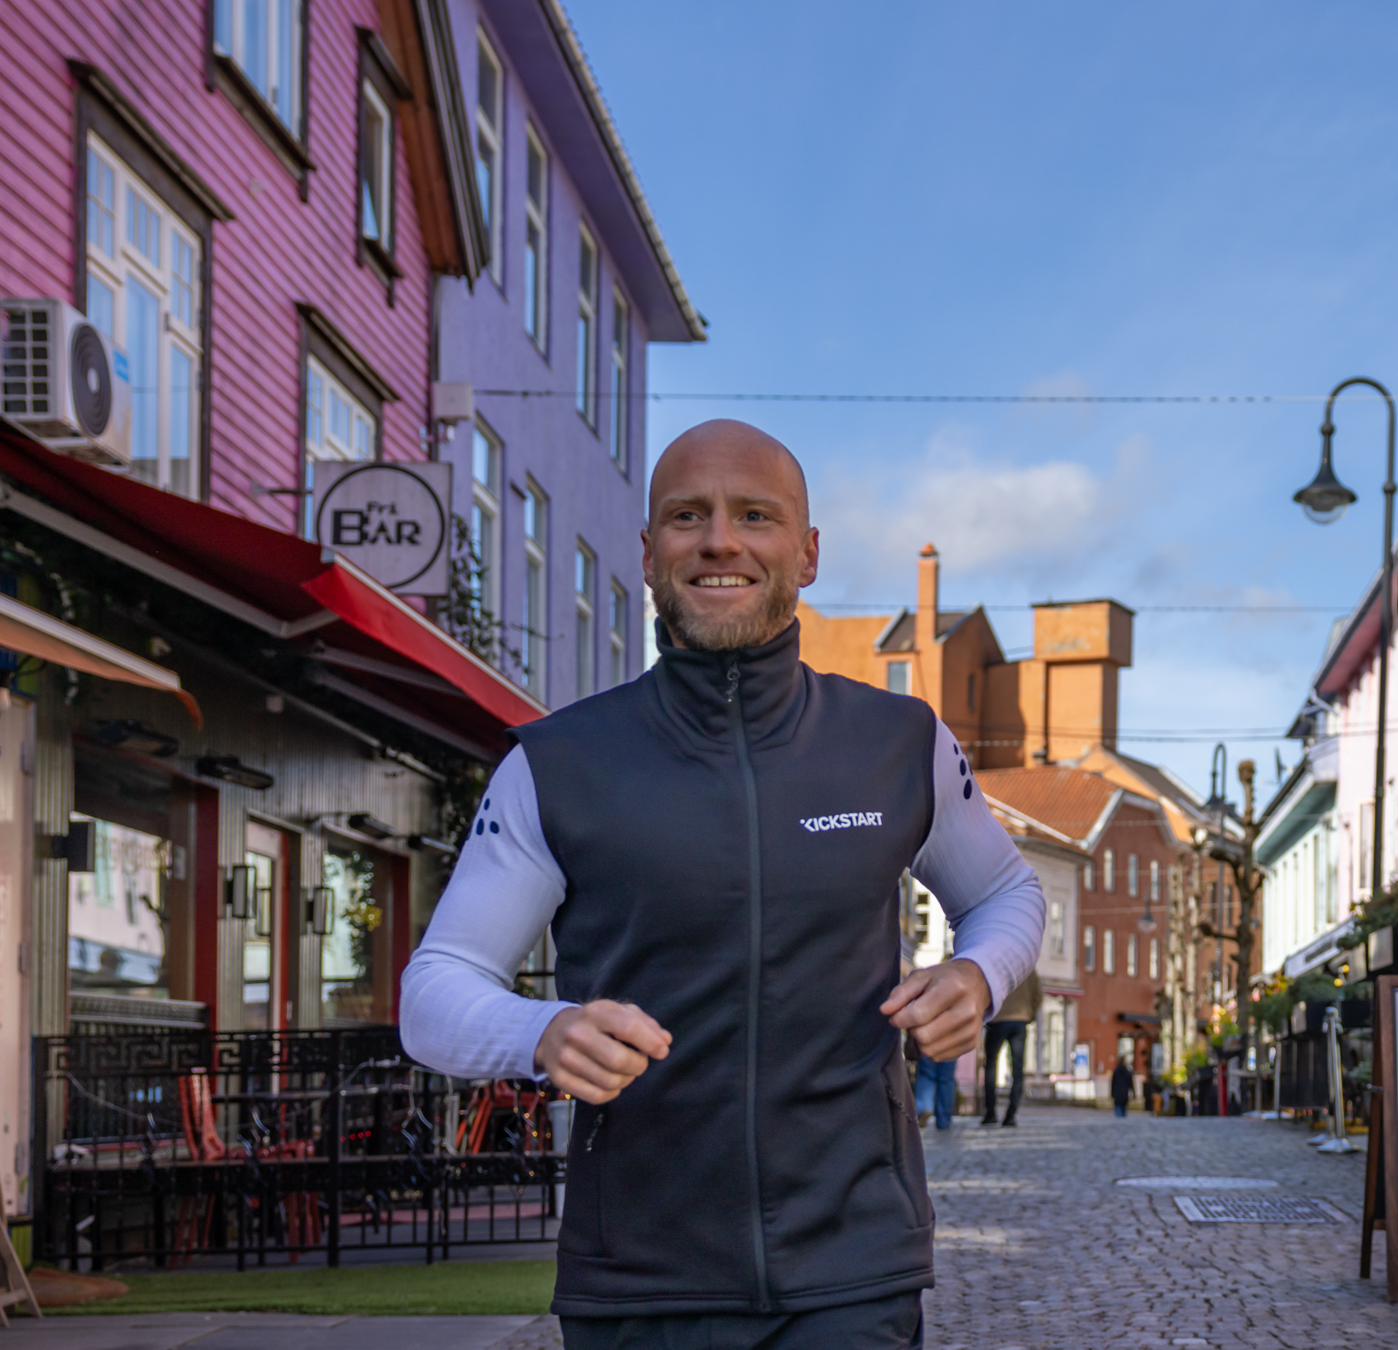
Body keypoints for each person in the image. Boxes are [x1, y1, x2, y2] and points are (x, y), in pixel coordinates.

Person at [400, 420, 1046, 1350]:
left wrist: (976, 976)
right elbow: (434, 990)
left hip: (851, 1270)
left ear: (808, 552)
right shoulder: (558, 763)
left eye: (756, 515)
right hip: (639, 1281)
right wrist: (540, 1032)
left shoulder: (901, 745)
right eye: (687, 516)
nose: (720, 540)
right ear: (649, 553)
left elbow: (1009, 896)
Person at [978, 971, 1041, 1126]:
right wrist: (1029, 1015)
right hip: (1019, 1021)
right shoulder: (1028, 967)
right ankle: (1011, 1115)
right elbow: (1038, 995)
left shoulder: (997, 963)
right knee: (1017, 1069)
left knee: (991, 1066)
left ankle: (990, 1112)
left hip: (997, 1019)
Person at [912, 1034, 958, 1131]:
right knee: (946, 1079)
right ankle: (943, 1120)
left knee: (926, 1074)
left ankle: (924, 1108)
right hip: (952, 1036)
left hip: (930, 1033)